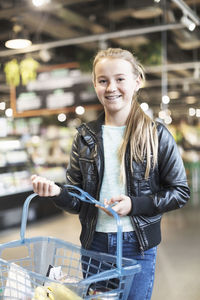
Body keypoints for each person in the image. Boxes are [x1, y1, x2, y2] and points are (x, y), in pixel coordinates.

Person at [31, 48, 190, 300]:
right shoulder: (85, 137)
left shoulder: (156, 135)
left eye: (120, 79)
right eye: (103, 80)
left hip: (136, 245)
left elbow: (180, 192)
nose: (111, 87)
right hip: (95, 244)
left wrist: (134, 204)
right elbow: (76, 200)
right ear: (95, 84)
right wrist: (57, 192)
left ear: (137, 81)